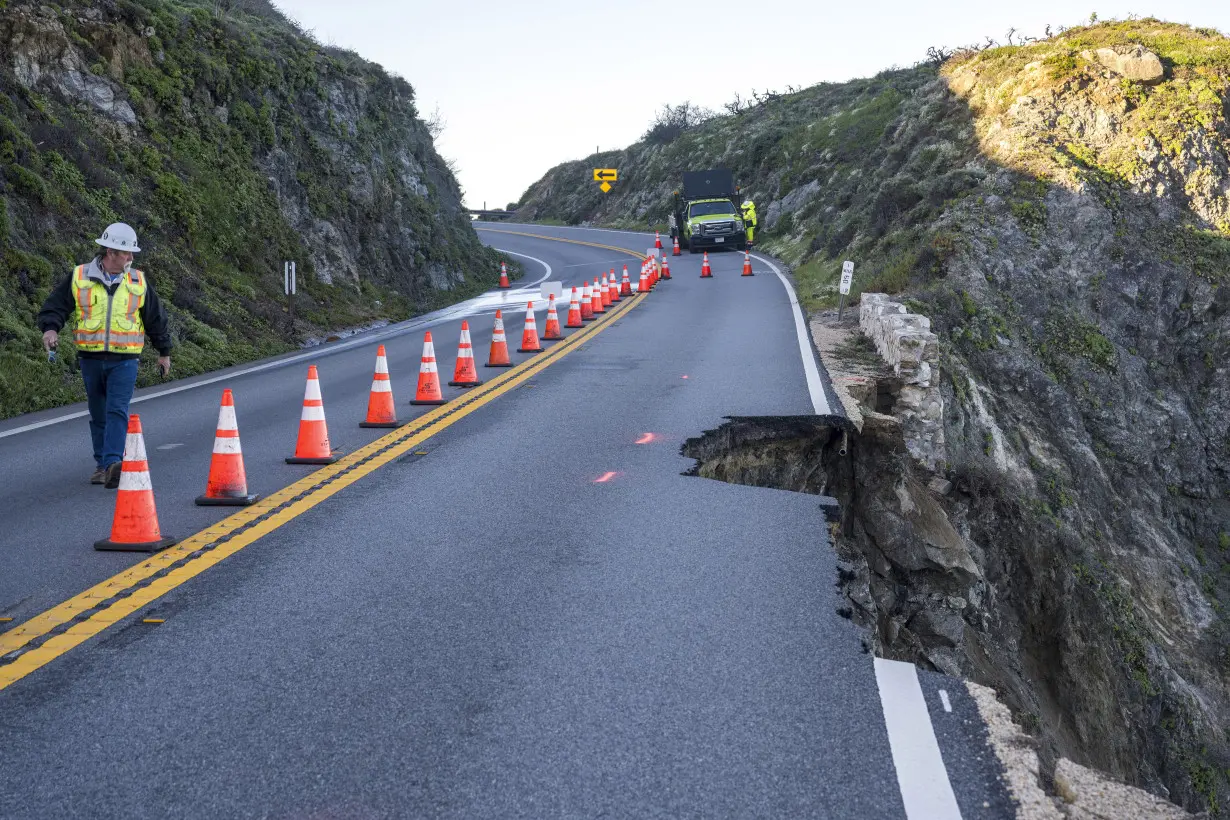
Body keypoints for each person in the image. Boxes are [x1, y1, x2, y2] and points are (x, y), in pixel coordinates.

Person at [38, 223, 172, 488]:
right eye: (127, 253)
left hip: (125, 360)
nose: (131, 258)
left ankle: (113, 464)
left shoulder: (138, 281)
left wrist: (164, 352)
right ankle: (102, 465)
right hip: (90, 359)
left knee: (116, 410)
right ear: (110, 252)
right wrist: (51, 329)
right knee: (98, 412)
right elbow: (56, 306)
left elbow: (156, 318)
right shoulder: (79, 277)